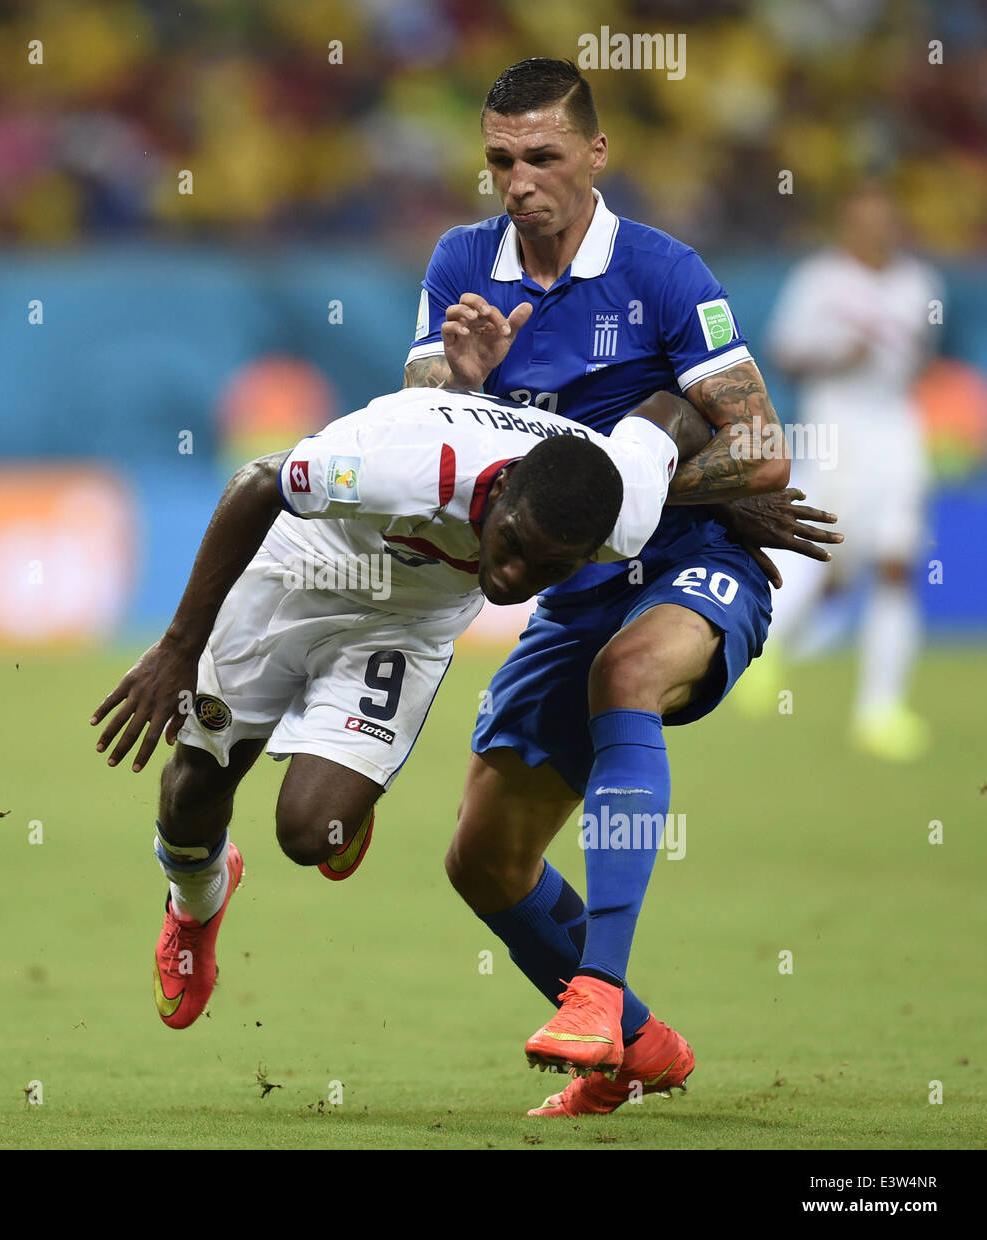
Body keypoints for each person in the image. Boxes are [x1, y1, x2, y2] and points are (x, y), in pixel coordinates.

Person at [89, 383, 829, 1032]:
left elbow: (672, 413)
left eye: (548, 569)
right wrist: (179, 647)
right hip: (300, 569)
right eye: (510, 546)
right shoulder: (407, 464)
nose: (511, 579)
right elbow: (258, 481)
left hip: (406, 624)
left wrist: (728, 504)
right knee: (194, 790)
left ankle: (348, 779)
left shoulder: (621, 506)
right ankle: (196, 905)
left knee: (312, 833)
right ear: (498, 491)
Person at [403, 57, 839, 1117]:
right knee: (481, 861)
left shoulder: (661, 272)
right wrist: (455, 384)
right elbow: (418, 415)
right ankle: (636, 1046)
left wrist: (629, 491)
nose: (519, 181)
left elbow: (765, 451)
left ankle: (597, 987)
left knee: (627, 673)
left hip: (696, 557)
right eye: (501, 159)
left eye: (543, 156)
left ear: (595, 154)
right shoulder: (462, 263)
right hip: (577, 586)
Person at [751, 181, 940, 760]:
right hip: (837, 432)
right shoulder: (820, 281)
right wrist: (838, 355)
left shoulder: (918, 285)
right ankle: (765, 650)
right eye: (864, 219)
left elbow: (922, 356)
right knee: (826, 564)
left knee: (897, 564)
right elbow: (783, 353)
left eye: (885, 219)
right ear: (845, 225)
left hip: (897, 434)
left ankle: (879, 712)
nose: (876, 230)